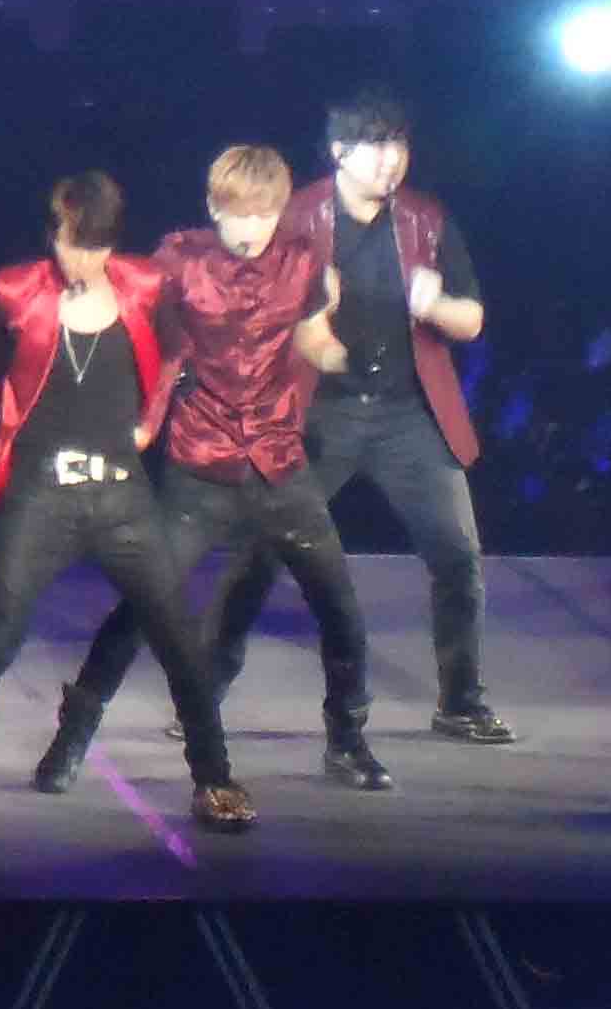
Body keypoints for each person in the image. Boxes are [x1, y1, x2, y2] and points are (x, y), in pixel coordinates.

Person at [34, 144, 387, 795]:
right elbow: (127, 324)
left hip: (279, 463)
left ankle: (347, 740)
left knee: (339, 606)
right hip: (200, 466)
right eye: (238, 214)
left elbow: (311, 337)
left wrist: (349, 360)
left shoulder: (303, 260)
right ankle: (72, 734)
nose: (251, 228)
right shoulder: (179, 260)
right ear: (213, 207)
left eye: (264, 215)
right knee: (145, 603)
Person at [0, 174, 254, 831]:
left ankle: (214, 780)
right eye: (72, 243)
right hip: (42, 495)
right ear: (51, 235)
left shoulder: (143, 287)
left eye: (97, 245)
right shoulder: (16, 291)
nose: (83, 259)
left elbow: (177, 349)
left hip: (120, 496)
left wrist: (149, 421)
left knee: (178, 636)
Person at [192, 91, 509, 742]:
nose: (392, 160)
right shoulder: (295, 217)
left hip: (407, 414)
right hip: (317, 413)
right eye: (376, 146)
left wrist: (435, 306)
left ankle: (461, 701)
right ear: (339, 151)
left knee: (457, 556)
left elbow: (473, 320)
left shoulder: (425, 219)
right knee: (260, 552)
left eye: (400, 145)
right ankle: (202, 691)